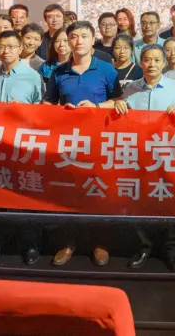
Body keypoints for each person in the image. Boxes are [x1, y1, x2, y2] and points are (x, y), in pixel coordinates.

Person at [43, 21, 123, 267]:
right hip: (68, 143)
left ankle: (100, 243)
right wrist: (61, 110)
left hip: (99, 142)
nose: (78, 41)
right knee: (70, 192)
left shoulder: (107, 69)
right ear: (68, 41)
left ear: (92, 39)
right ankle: (68, 243)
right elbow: (48, 104)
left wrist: (96, 107)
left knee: (98, 191)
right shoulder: (59, 72)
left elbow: (118, 102)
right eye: (74, 37)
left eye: (84, 36)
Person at [116, 46, 175, 271]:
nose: (152, 64)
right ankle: (144, 247)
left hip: (166, 154)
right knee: (139, 203)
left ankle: (172, 250)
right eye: (147, 60)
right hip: (138, 155)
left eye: (157, 60)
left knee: (171, 203)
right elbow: (121, 116)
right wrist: (118, 104)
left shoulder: (174, 87)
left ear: (164, 63)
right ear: (141, 63)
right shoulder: (131, 89)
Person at [0, 29, 45, 266]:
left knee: (26, 194)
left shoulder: (32, 76)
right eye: (1, 47)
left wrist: (25, 112)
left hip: (22, 145)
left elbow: (42, 110)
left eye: (11, 47)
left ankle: (31, 244)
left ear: (20, 48)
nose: (6, 51)